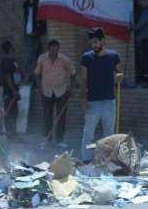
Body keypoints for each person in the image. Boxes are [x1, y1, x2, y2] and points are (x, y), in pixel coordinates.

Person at [80, 29, 122, 162]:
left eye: (96, 42)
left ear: (103, 41)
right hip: (93, 102)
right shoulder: (86, 58)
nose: (93, 45)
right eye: (91, 42)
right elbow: (83, 80)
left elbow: (119, 74)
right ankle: (86, 159)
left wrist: (119, 78)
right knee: (88, 133)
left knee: (109, 133)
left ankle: (107, 159)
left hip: (110, 101)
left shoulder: (114, 56)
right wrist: (83, 99)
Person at [35, 39, 76, 148]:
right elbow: (37, 74)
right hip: (46, 91)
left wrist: (71, 89)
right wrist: (39, 89)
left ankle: (59, 139)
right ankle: (47, 139)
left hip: (61, 91)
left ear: (58, 50)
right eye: (52, 50)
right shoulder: (42, 59)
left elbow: (73, 73)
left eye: (56, 50)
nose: (54, 53)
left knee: (61, 116)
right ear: (48, 50)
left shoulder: (64, 59)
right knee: (47, 116)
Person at [23, 0, 46, 79]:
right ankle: (28, 76)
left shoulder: (36, 4)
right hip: (28, 34)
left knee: (39, 53)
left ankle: (37, 75)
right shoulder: (27, 5)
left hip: (37, 33)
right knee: (29, 56)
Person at [0, 41, 21, 137]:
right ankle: (10, 133)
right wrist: (13, 90)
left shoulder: (13, 61)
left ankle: (14, 132)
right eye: (13, 48)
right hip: (9, 92)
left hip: (14, 90)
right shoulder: (7, 62)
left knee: (15, 112)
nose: (14, 50)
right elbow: (7, 77)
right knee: (10, 112)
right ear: (9, 50)